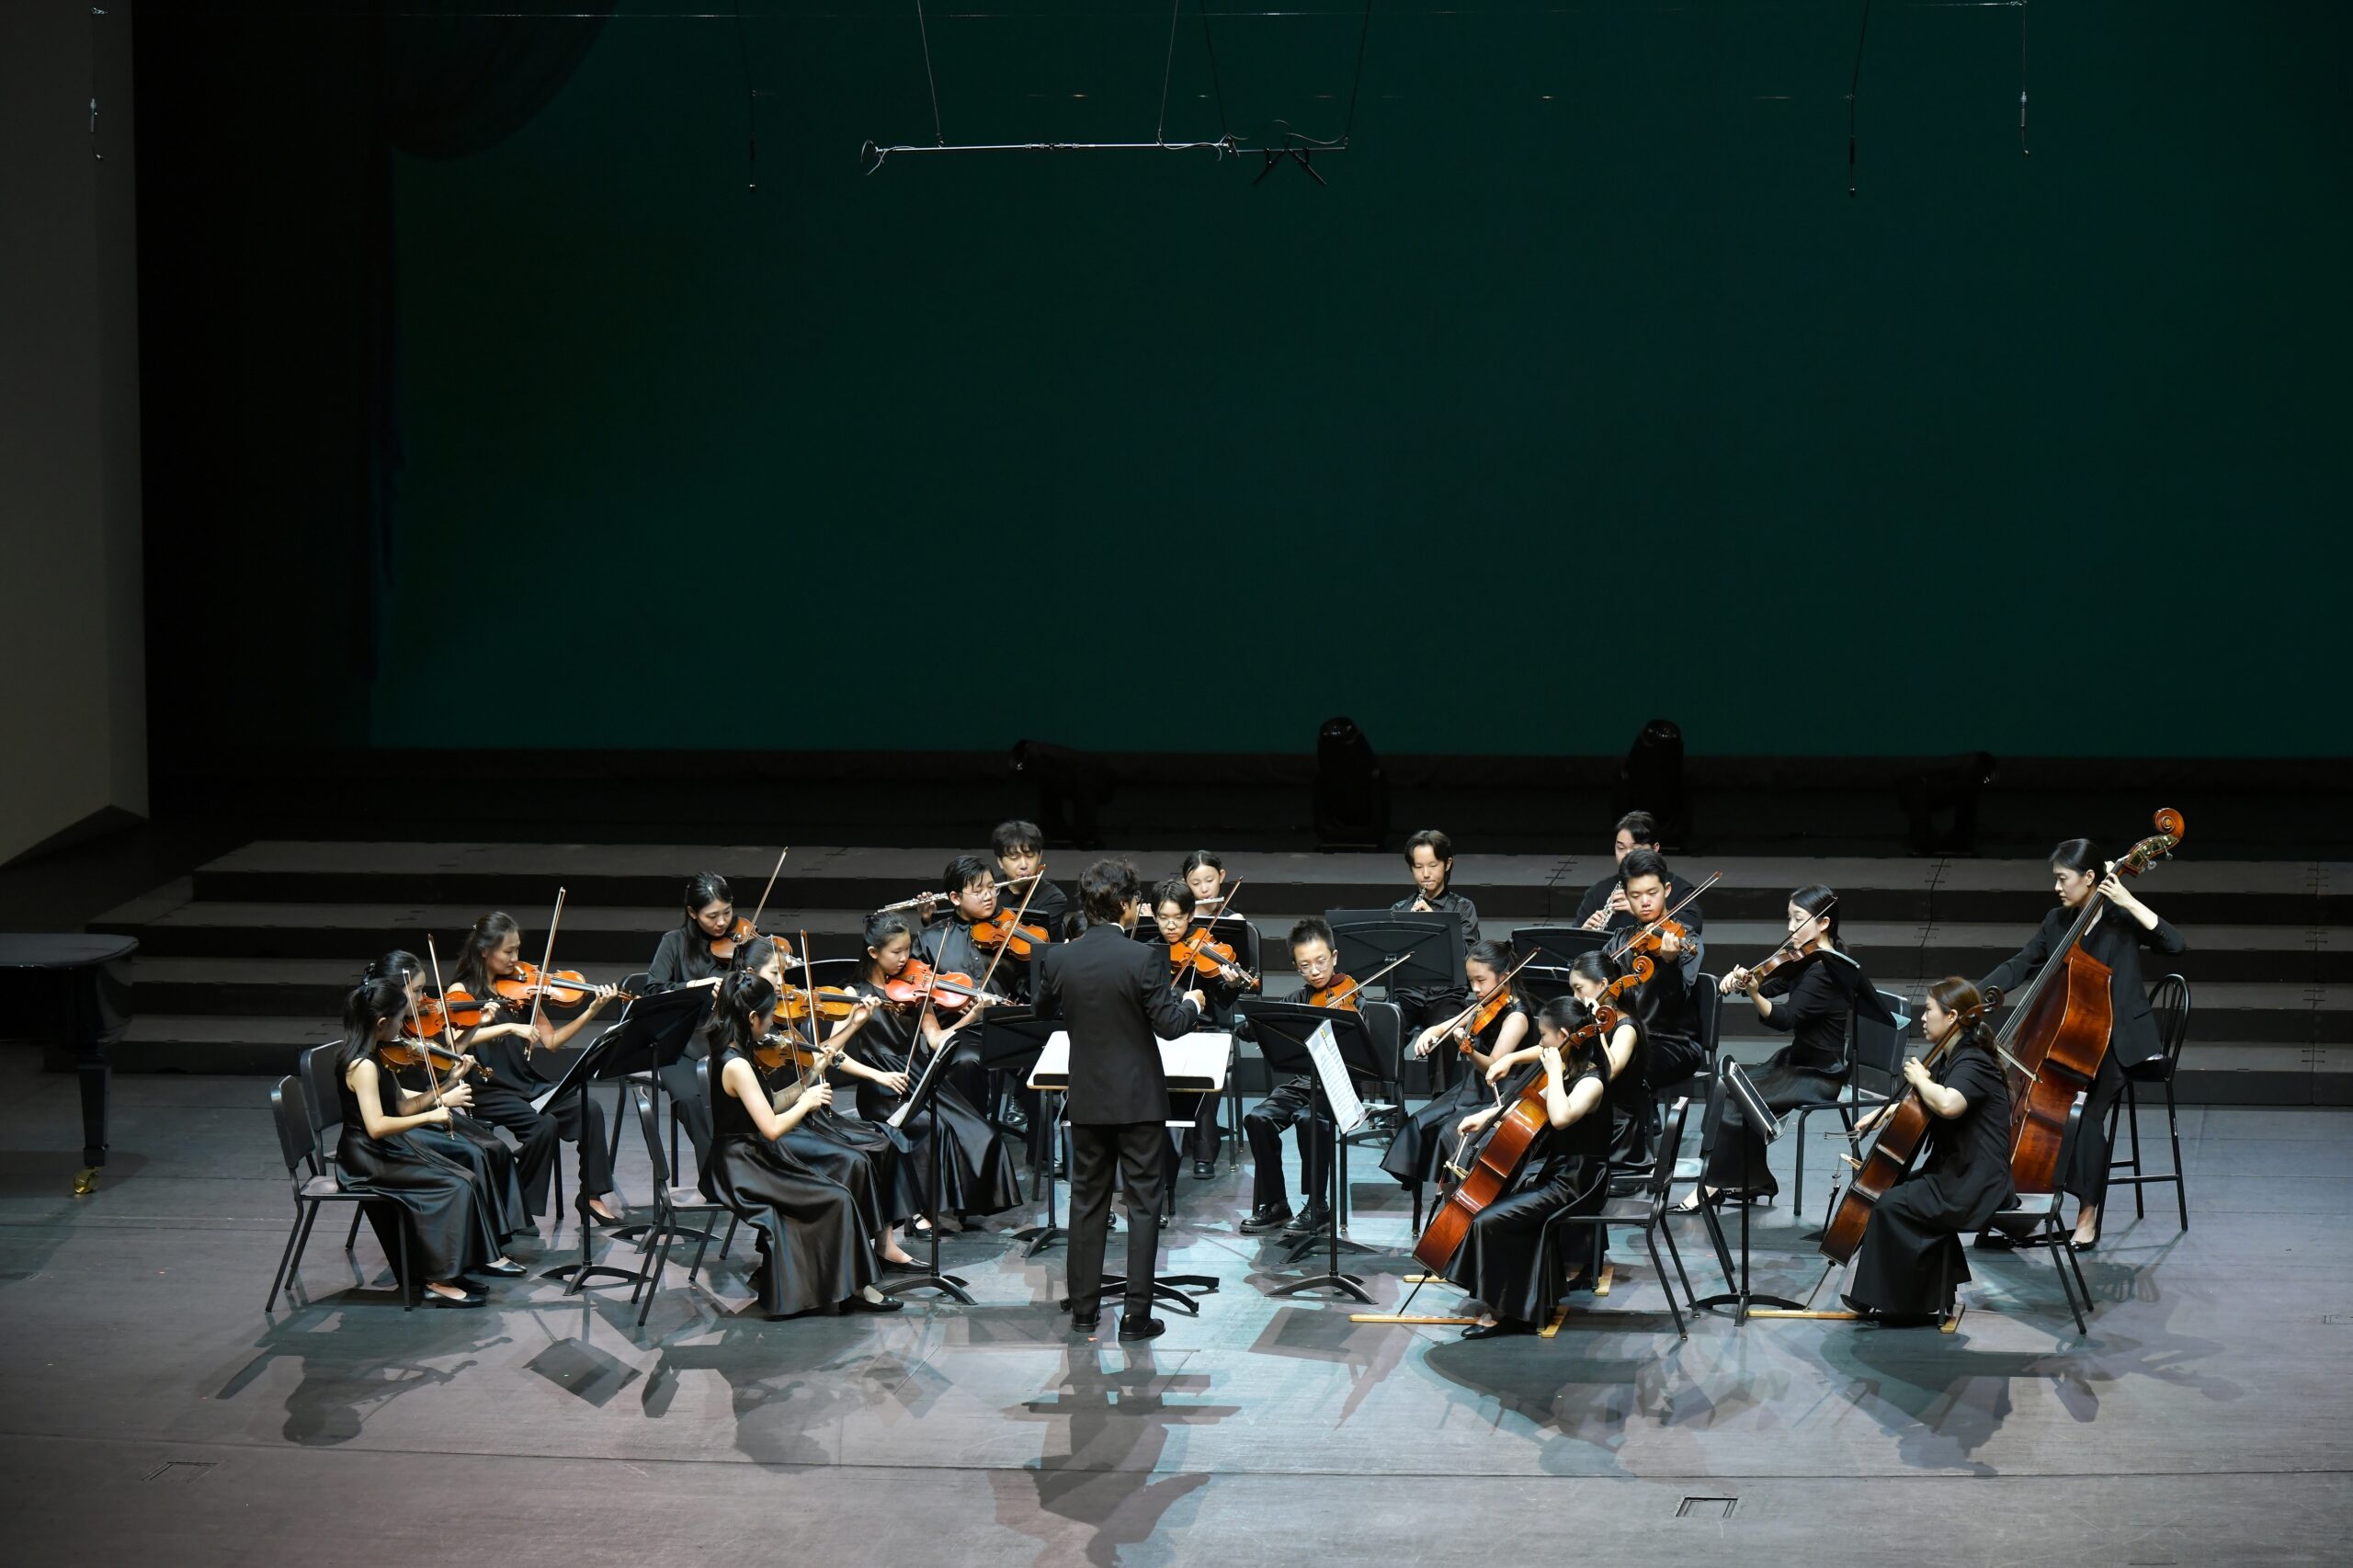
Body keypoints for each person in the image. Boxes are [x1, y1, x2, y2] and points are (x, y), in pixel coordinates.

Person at [1976, 838, 2186, 1251]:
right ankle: (2018, 1202)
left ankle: (2087, 1214)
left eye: (2063, 878)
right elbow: (2021, 963)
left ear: (2090, 877)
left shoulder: (2121, 917)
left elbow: (2175, 945)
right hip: (2072, 1042)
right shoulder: (2057, 921)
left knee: (2084, 1114)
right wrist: (1976, 995)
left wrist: (2128, 899)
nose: (2057, 887)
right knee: (2034, 1109)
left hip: (2120, 1042)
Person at [1031, 857, 1206, 1343]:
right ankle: (1135, 1317)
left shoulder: (1059, 958)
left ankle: (1084, 1314)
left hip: (1087, 1097)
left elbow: (1040, 1009)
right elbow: (1170, 1026)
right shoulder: (1144, 958)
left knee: (1086, 1203)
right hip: (1138, 1101)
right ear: (1128, 905)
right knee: (1144, 1204)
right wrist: (1192, 1003)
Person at [704, 971, 902, 1318]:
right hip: (741, 1166)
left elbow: (771, 1103)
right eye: (769, 1016)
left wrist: (810, 1077)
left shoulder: (737, 1051)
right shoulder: (736, 1064)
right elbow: (772, 1127)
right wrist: (806, 1103)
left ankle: (840, 1286)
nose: (772, 1024)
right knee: (837, 1197)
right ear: (753, 1017)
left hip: (752, 1156)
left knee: (837, 1189)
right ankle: (851, 1289)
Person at [333, 978, 522, 1306]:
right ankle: (437, 1279)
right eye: (399, 1019)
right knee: (453, 1186)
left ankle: (453, 1270)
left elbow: (402, 1106)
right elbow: (376, 1126)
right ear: (382, 1023)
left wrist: (445, 1087)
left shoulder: (378, 1055)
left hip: (383, 1150)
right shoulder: (362, 1066)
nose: (403, 1026)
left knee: (465, 1178)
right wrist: (430, 1117)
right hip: (365, 1159)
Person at [826, 910, 1022, 1224]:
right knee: (934, 1129)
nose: (905, 958)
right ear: (874, 952)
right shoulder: (853, 995)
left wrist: (972, 1016)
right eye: (896, 952)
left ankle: (962, 1204)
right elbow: (831, 1053)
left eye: (908, 948)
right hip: (881, 1085)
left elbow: (936, 1040)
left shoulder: (915, 987)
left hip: (919, 1075)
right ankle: (921, 1212)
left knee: (979, 1131)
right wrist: (879, 1076)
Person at [1438, 994, 1612, 1338]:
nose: (1541, 1043)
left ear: (1563, 1036)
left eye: (1544, 1036)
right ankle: (1528, 1303)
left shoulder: (1591, 1081)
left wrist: (1553, 1073)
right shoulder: (1568, 1071)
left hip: (1580, 1181)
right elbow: (1531, 1104)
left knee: (1490, 1221)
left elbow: (1560, 1117)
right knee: (1498, 1210)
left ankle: (1506, 1311)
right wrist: (1487, 1116)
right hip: (1559, 1175)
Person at [1840, 978, 2014, 1324]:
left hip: (1975, 1181)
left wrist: (1920, 1079)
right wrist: (1886, 1112)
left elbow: (1948, 1104)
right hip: (1956, 1170)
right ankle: (1927, 1294)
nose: (1922, 1017)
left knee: (1890, 1205)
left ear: (1951, 1017)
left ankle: (1894, 1300)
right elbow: (1925, 1102)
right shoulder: (1951, 1058)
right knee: (1895, 1196)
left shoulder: (1973, 1061)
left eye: (1929, 1010)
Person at [739, 936, 919, 1264]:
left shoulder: (784, 1018)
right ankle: (849, 1252)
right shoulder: (747, 1027)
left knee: (887, 1141)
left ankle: (884, 1243)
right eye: (775, 974)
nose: (783, 983)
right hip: (785, 1124)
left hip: (810, 1113)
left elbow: (818, 1059)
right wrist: (807, 1095)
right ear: (751, 974)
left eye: (783, 974)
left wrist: (854, 1025)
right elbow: (772, 1107)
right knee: (856, 1159)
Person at [446, 913, 626, 1229]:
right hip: (487, 1088)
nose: (516, 958)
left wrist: (591, 1011)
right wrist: (509, 1027)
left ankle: (592, 1195)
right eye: (508, 951)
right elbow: (453, 1042)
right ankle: (514, 1209)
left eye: (517, 949)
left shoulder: (522, 987)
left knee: (589, 1109)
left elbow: (552, 1041)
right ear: (484, 950)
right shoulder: (463, 990)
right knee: (543, 1128)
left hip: (524, 1082)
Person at [1679, 885, 1855, 1210]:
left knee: (1736, 1097)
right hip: (1798, 1062)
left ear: (1824, 923)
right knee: (1729, 1087)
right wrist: (1746, 980)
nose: (1790, 927)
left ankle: (1715, 1184)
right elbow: (1772, 985)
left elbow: (1785, 1018)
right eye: (1789, 918)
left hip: (1818, 1074)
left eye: (1798, 919)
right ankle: (1752, 1180)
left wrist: (1754, 994)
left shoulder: (1825, 970)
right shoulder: (1806, 957)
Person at [360, 951, 529, 1244]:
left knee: (495, 1147)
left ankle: (503, 1230)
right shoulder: (379, 1034)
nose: (423, 998)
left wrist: (475, 1025)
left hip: (425, 1107)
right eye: (416, 991)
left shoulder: (413, 1024)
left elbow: (445, 1058)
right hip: (405, 1119)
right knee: (474, 1153)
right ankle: (484, 1242)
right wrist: (442, 1099)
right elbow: (391, 1096)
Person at [1381, 939, 1529, 1194]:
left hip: (1499, 1092)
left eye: (1481, 980)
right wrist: (1430, 1032)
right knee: (1418, 1123)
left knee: (1448, 1133)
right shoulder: (1487, 1004)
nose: (1475, 988)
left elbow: (1493, 1068)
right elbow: (1446, 1025)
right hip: (1473, 1088)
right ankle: (1433, 1189)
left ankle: (1452, 1199)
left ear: (1505, 977)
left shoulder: (1516, 1017)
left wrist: (1469, 1051)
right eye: (1471, 981)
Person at [1241, 918, 1354, 1239]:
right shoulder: (1297, 1000)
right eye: (1305, 966)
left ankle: (1318, 1205)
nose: (1315, 971)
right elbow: (1254, 1027)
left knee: (1309, 1119)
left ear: (1334, 957)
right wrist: (1255, 1025)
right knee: (1258, 1118)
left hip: (1339, 1087)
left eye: (1321, 962)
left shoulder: (1352, 997)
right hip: (1304, 1083)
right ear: (1296, 967)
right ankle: (1276, 1203)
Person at [1152, 875, 1253, 1178]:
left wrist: (1231, 984)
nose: (1171, 926)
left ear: (1191, 915)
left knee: (1205, 1067)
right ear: (1154, 916)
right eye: (1164, 918)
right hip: (1158, 1032)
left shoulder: (1206, 948)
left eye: (1178, 918)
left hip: (1201, 1031)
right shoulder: (1148, 951)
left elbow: (1221, 1001)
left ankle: (1204, 1153)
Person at [643, 870, 745, 1166]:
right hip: (681, 1045)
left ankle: (752, 1168)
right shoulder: (673, 943)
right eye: (712, 916)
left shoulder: (742, 940)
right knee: (690, 1100)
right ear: (692, 912)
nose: (722, 922)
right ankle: (716, 1173)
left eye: (727, 912)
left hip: (731, 1040)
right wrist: (693, 986)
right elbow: (652, 990)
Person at [1600, 848, 1708, 1089]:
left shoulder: (1686, 940)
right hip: (1625, 1034)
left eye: (1652, 893)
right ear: (1626, 896)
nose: (1645, 902)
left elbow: (1675, 1004)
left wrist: (1669, 964)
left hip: (1673, 1042)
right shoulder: (1620, 940)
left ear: (1666, 890)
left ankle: (1640, 1115)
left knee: (1629, 1070)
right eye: (1636, 895)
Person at [1391, 829, 1482, 1089]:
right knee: (1385, 1024)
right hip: (1409, 993)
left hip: (1447, 994)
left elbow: (1469, 957)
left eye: (1432, 865)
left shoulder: (1463, 908)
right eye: (1418, 867)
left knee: (1445, 1031)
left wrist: (1435, 923)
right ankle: (1391, 1099)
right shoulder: (1400, 909)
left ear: (1447, 863)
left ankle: (1440, 1100)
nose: (1426, 874)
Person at [1574, 811, 1663, 928]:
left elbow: (1684, 933)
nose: (1627, 856)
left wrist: (1642, 913)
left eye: (1636, 849)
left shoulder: (1678, 891)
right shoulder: (1597, 893)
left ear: (1655, 849)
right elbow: (1572, 937)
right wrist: (1584, 933)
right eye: (1621, 848)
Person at [1180, 850, 1233, 915]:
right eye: (1196, 883)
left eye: (1209, 880)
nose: (1204, 889)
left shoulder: (1232, 918)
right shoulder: (1180, 916)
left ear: (1221, 876)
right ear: (1185, 884)